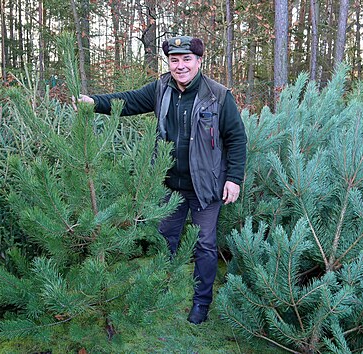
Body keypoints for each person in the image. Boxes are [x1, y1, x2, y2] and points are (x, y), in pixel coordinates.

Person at [76, 35, 247, 324]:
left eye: (186, 60)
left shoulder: (218, 95)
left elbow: (237, 139)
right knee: (164, 240)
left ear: (199, 61)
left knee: (204, 244)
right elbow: (127, 101)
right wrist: (93, 102)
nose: (180, 66)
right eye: (174, 60)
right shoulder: (161, 89)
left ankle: (201, 303)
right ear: (169, 63)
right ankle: (159, 294)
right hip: (169, 186)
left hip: (206, 187)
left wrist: (233, 178)